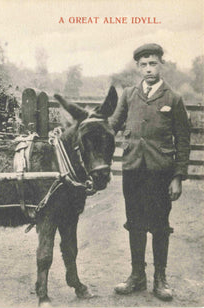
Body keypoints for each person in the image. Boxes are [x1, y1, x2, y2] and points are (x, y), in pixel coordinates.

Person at [110, 43, 191, 301]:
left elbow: (183, 140)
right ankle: (137, 276)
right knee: (134, 224)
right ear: (137, 67)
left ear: (161, 64)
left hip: (160, 173)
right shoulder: (129, 94)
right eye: (143, 64)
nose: (148, 69)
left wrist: (177, 177)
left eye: (153, 63)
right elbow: (111, 126)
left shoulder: (173, 98)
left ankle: (160, 279)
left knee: (159, 226)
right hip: (133, 170)